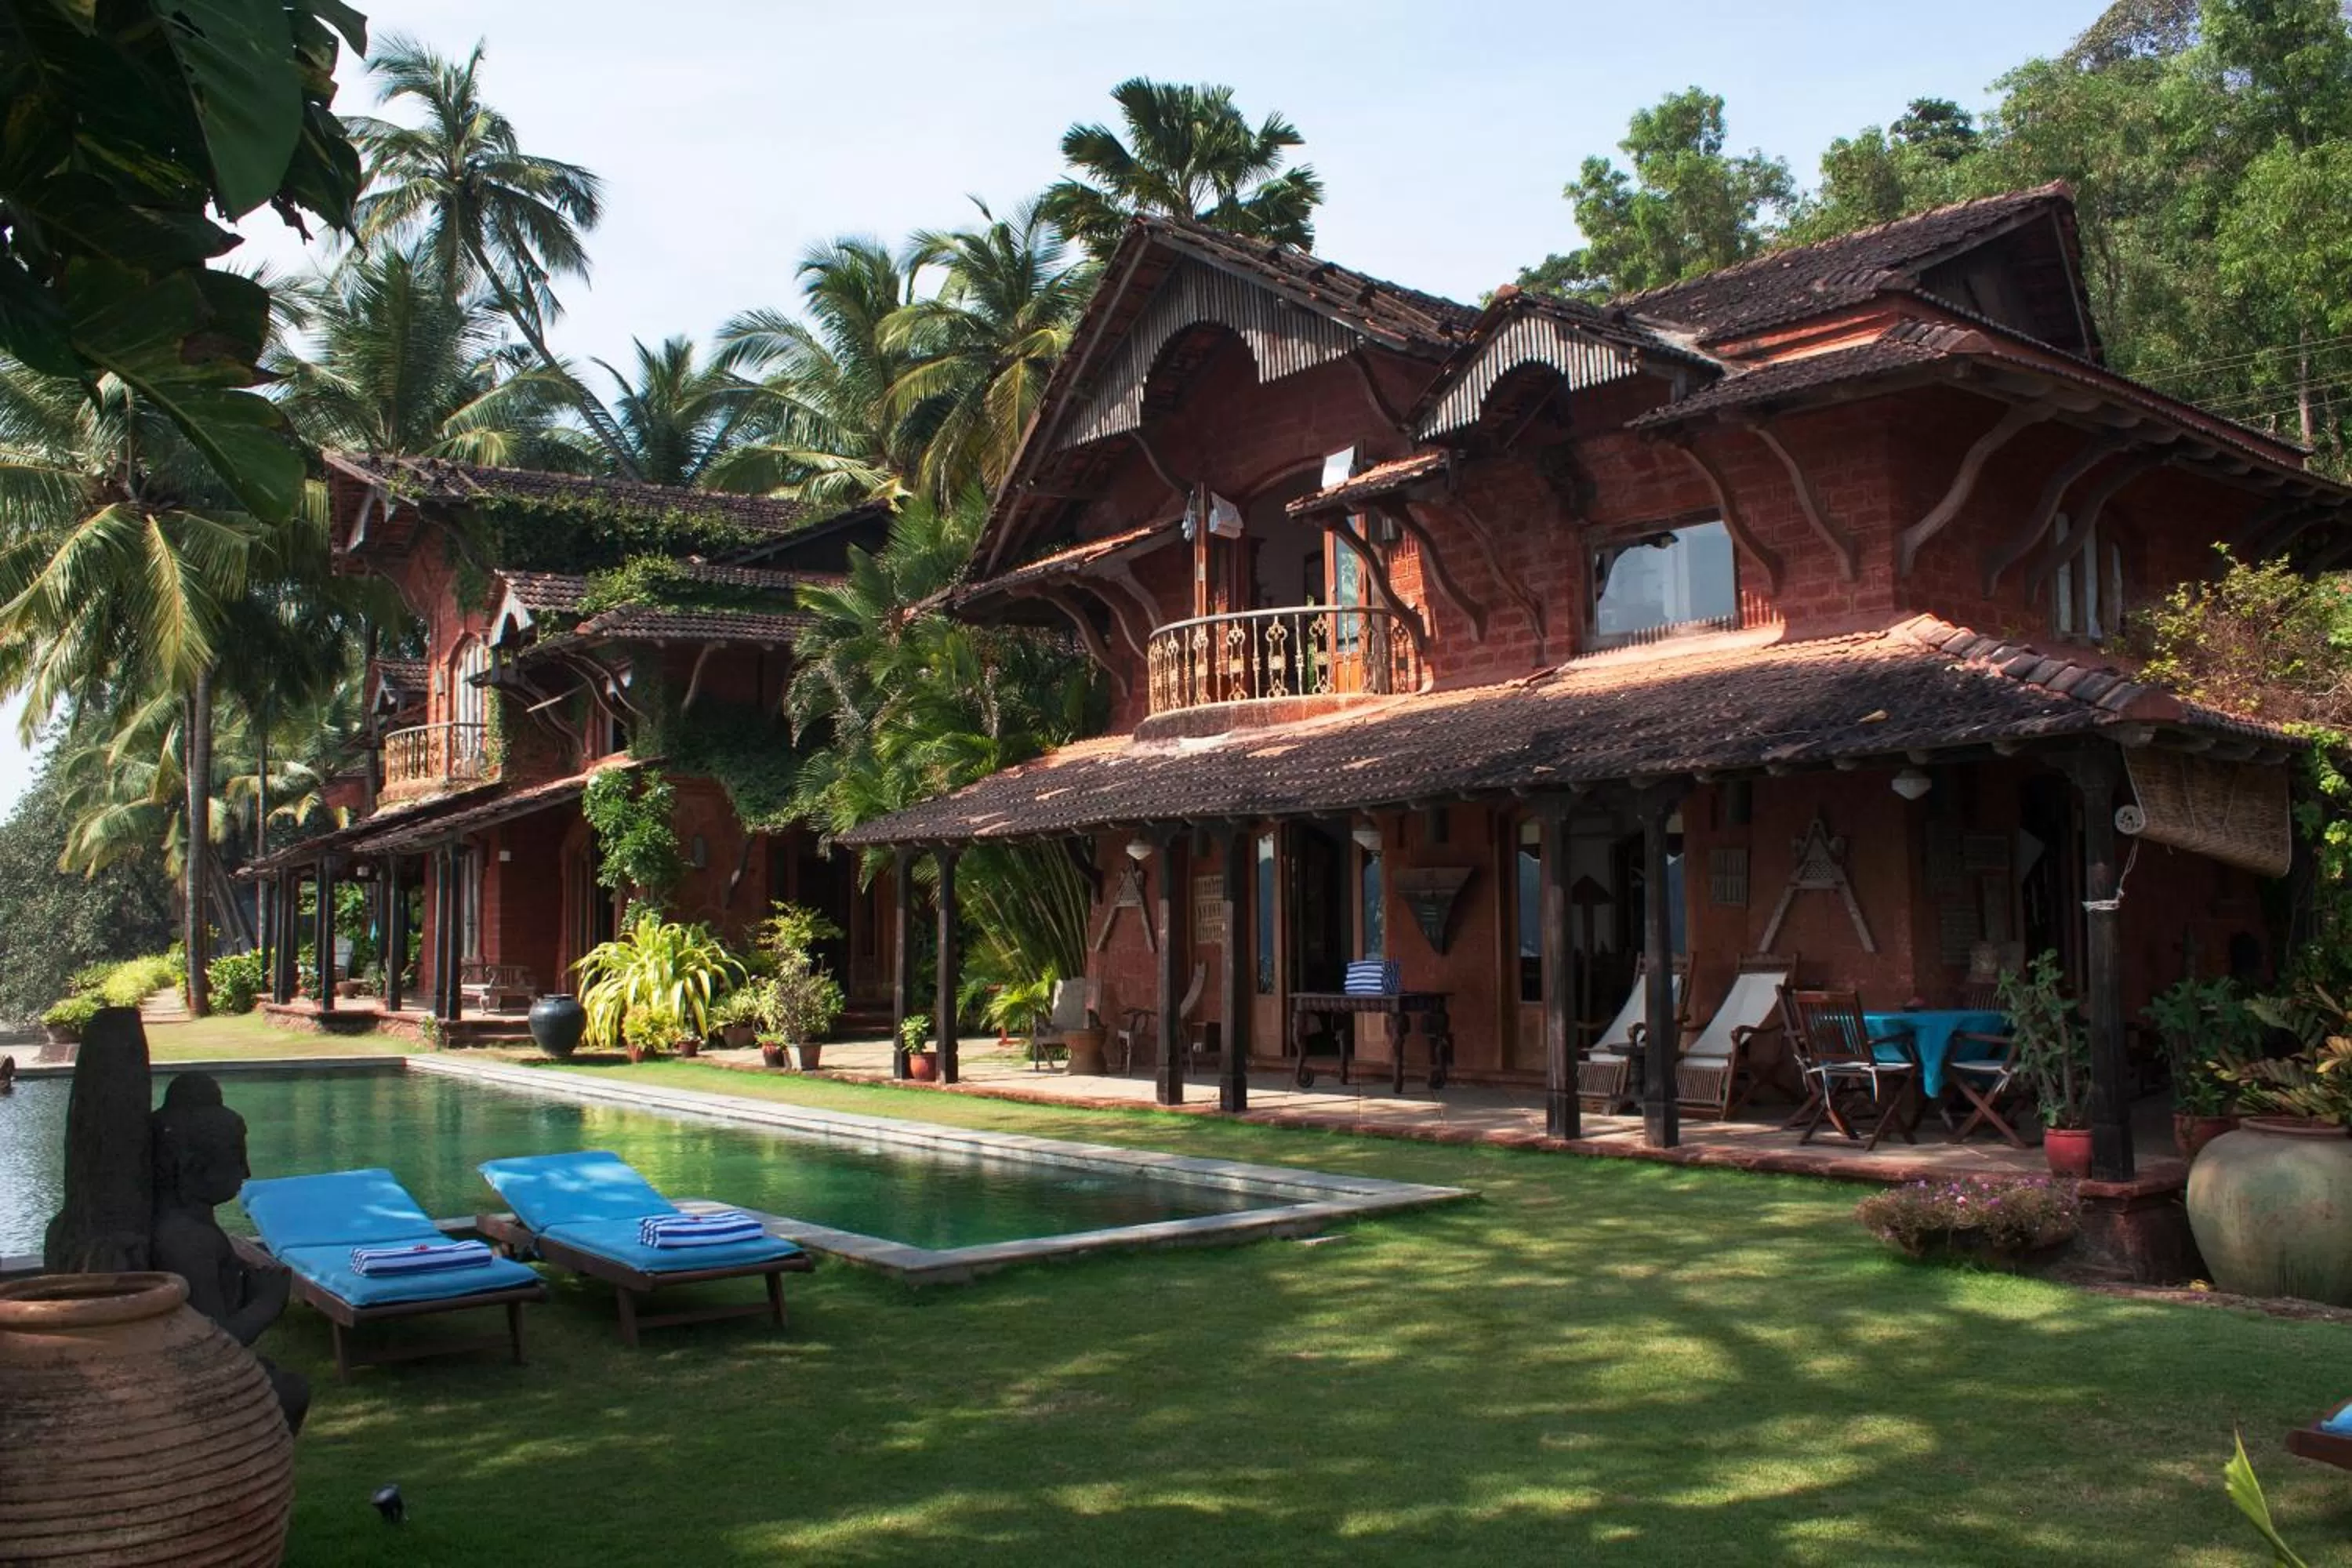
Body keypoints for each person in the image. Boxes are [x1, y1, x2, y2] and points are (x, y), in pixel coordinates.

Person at [149, 1073, 309, 1433]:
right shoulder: (189, 1241)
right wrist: (268, 1301)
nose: (247, 1172)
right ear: (192, 1167)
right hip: (200, 1390)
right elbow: (215, 1342)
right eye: (237, 1158)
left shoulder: (187, 1228)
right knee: (290, 1391)